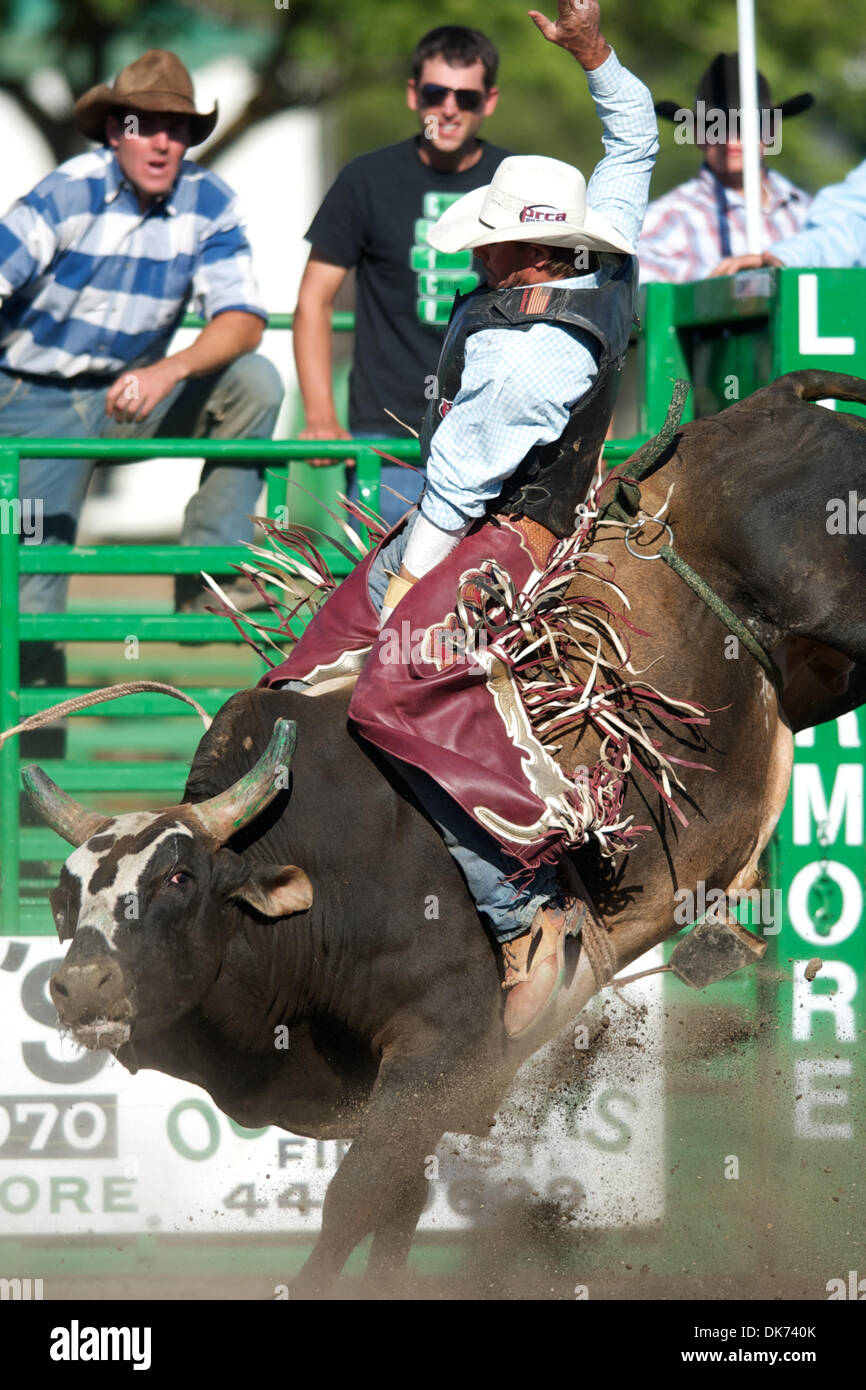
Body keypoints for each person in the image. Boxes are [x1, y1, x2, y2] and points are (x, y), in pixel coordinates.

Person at [261, 0, 657, 1038]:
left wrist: (395, 596)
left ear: (527, 261)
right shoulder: (602, 258)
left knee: (395, 678)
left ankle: (522, 909)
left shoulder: (523, 358)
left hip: (502, 532)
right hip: (488, 508)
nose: (478, 261)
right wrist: (592, 55)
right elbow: (634, 141)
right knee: (314, 657)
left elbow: (447, 503)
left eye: (491, 249)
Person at [0, 48, 284, 740]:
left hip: (131, 396)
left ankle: (206, 579)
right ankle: (33, 799)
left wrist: (168, 371)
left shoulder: (208, 202)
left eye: (178, 127)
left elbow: (243, 320)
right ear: (113, 130)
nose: (162, 140)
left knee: (255, 382)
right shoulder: (64, 194)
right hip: (30, 405)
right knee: (34, 595)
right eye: (144, 122)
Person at [293, 24, 511, 527]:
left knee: (488, 595)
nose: (450, 108)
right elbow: (314, 299)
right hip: (388, 436)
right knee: (381, 594)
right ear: (414, 94)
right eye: (436, 92)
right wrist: (320, 415)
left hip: (496, 431)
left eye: (467, 96)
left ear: (489, 100)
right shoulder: (365, 179)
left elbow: (561, 293)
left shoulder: (515, 179)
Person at [638, 53, 812, 283]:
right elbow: (628, 273)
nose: (730, 139)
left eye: (746, 124)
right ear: (697, 135)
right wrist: (716, 285)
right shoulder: (671, 217)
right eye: (714, 125)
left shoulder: (811, 214)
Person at [711, 157, 866, 275]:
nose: (732, 138)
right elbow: (846, 228)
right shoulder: (687, 208)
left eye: (739, 127)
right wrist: (785, 257)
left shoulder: (803, 203)